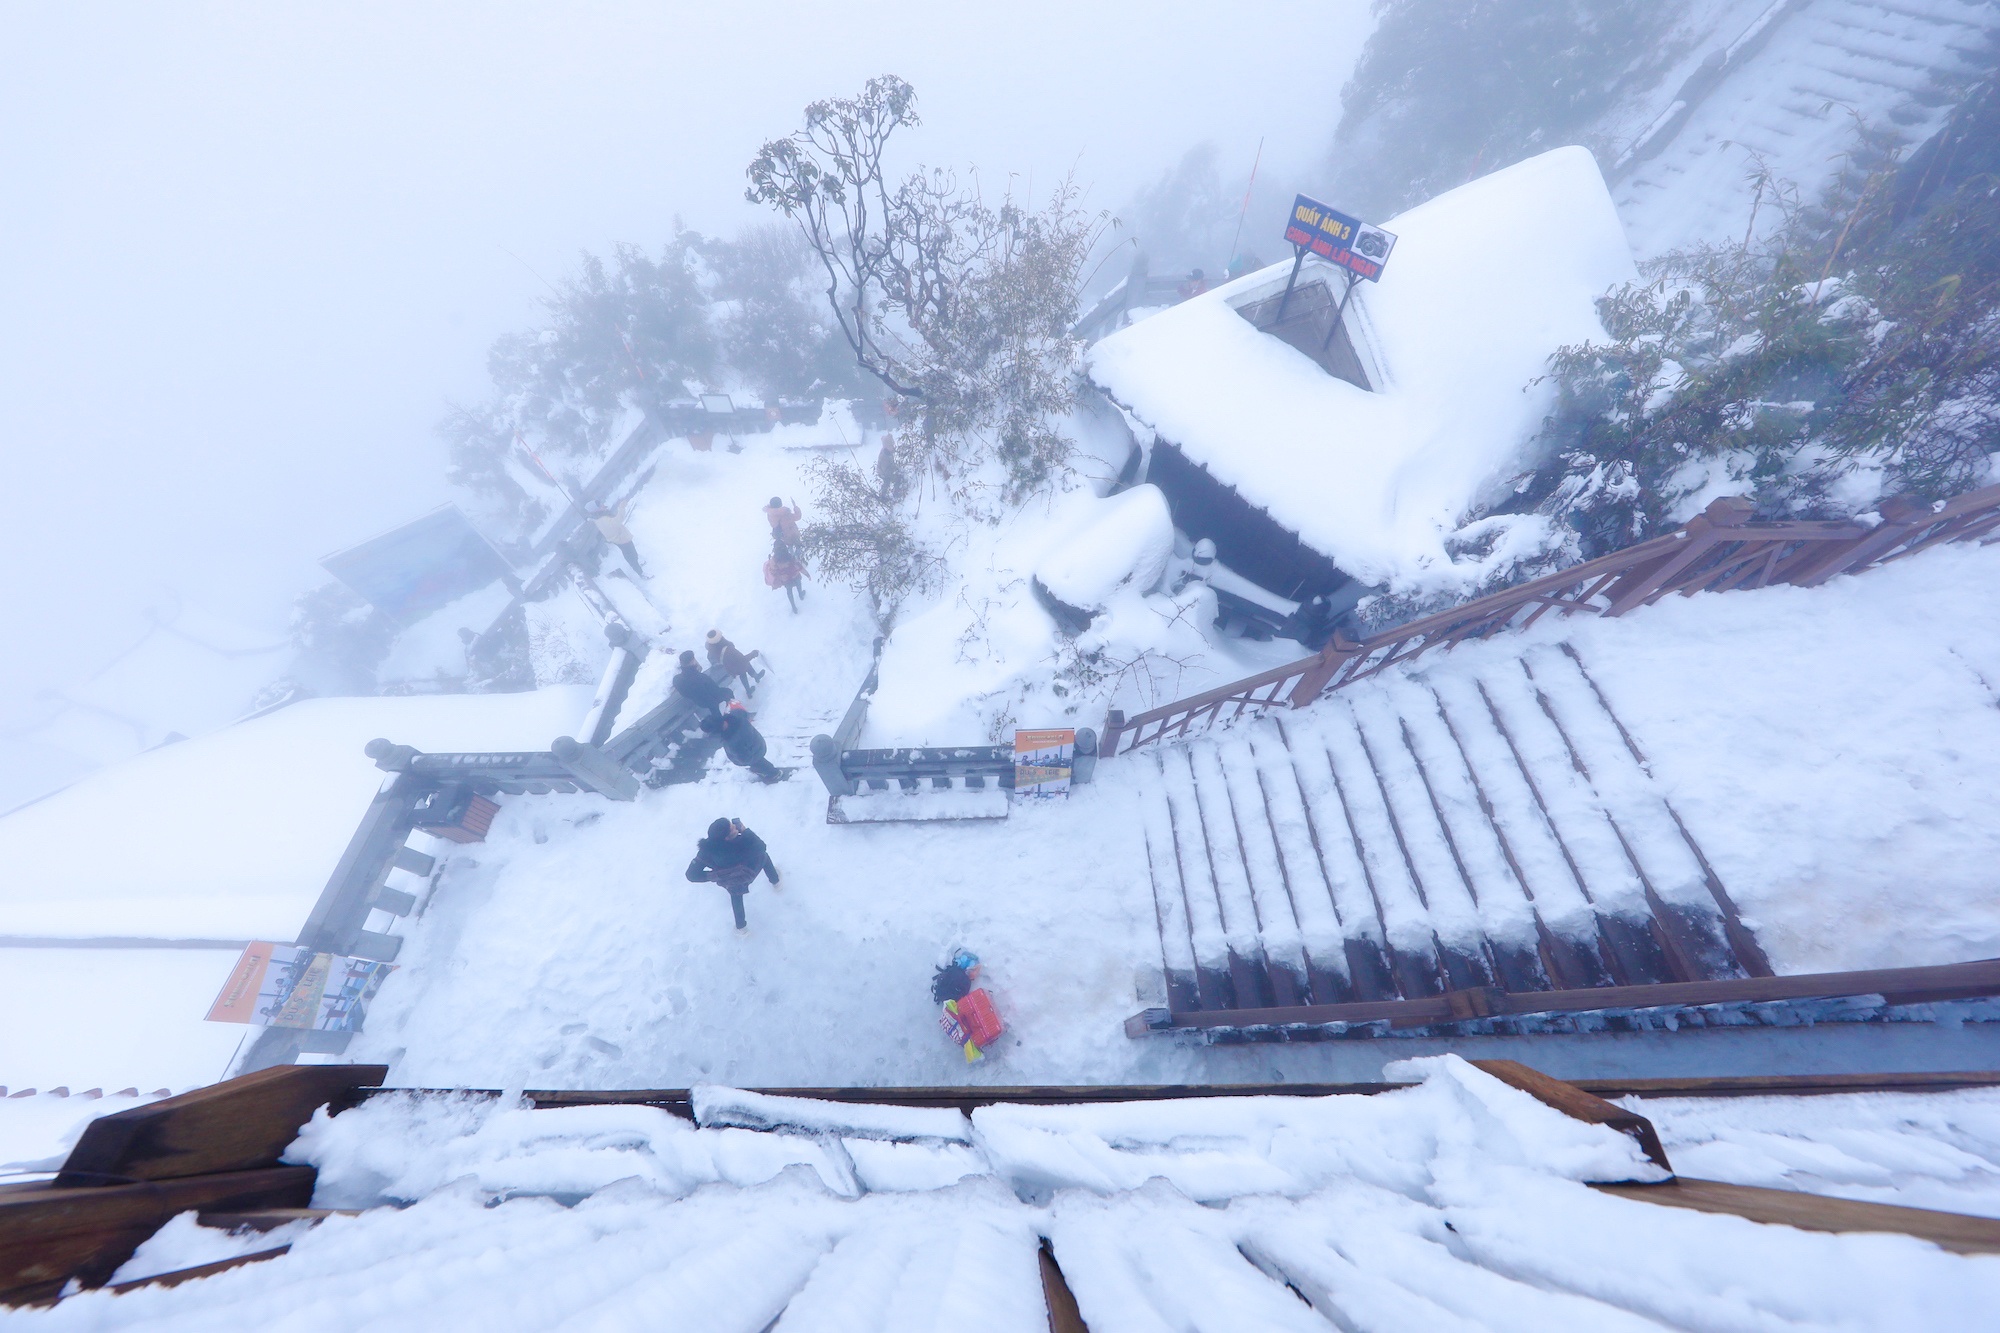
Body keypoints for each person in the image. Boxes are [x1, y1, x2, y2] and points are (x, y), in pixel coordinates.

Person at [684, 816, 781, 932]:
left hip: (731, 881)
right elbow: (761, 847)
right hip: (748, 872)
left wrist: (718, 875)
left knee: (736, 897)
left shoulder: (707, 850)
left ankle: (741, 928)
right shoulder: (741, 844)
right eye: (732, 828)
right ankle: (776, 882)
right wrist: (745, 831)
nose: (735, 826)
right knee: (764, 857)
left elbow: (691, 875)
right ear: (727, 838)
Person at [700, 703, 781, 782]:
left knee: (759, 764)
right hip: (757, 741)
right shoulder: (736, 715)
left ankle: (774, 774)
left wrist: (739, 761)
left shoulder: (733, 742)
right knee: (759, 761)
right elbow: (742, 712)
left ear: (716, 730)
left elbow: (745, 758)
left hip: (754, 754)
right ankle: (766, 770)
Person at [589, 498, 645, 578]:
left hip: (620, 538)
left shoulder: (601, 516)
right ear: (596, 510)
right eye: (600, 506)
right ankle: (641, 573)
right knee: (630, 555)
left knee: (632, 552)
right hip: (621, 539)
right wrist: (621, 508)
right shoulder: (602, 519)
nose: (603, 505)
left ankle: (636, 563)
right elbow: (618, 520)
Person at [672, 649, 732, 718]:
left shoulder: (676, 679)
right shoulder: (701, 678)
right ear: (692, 661)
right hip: (708, 701)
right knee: (728, 692)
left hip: (696, 700)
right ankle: (731, 713)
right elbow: (714, 691)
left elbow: (685, 693)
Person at [705, 630, 765, 696]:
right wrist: (753, 654)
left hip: (730, 667)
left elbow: (711, 659)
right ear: (720, 639)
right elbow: (743, 659)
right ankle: (756, 678)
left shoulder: (711, 648)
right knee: (746, 668)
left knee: (743, 673)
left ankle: (749, 690)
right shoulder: (729, 650)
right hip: (738, 664)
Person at [765, 534, 807, 613]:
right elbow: (797, 565)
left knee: (789, 591)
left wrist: (780, 576)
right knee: (798, 584)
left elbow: (773, 571)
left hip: (785, 578)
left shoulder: (774, 560)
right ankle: (801, 594)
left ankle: (793, 607)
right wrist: (806, 574)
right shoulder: (789, 555)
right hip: (794, 574)